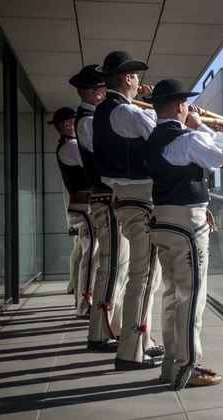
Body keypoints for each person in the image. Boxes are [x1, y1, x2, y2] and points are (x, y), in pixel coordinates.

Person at [143, 78, 223, 390]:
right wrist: (212, 129)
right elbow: (220, 155)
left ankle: (172, 364)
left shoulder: (155, 137)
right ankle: (187, 366)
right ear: (182, 105)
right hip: (186, 223)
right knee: (192, 297)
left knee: (171, 296)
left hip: (163, 220)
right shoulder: (184, 138)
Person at [93, 51, 164, 371]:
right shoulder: (126, 111)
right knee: (144, 276)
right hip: (140, 197)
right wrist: (170, 111)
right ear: (128, 78)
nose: (138, 81)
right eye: (135, 76)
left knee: (142, 274)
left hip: (125, 196)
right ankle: (131, 349)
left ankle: (138, 340)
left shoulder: (105, 109)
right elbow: (163, 140)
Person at [70, 65, 130, 351]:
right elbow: (110, 150)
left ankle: (111, 329)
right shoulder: (88, 122)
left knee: (118, 266)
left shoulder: (90, 118)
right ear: (97, 94)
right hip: (106, 199)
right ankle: (100, 333)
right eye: (106, 91)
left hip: (109, 198)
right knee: (113, 266)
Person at [49, 107, 97, 319]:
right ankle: (85, 304)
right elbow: (94, 164)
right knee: (90, 255)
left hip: (82, 206)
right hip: (84, 207)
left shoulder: (68, 147)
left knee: (87, 255)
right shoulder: (72, 147)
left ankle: (84, 301)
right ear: (69, 126)